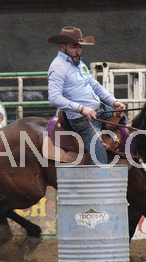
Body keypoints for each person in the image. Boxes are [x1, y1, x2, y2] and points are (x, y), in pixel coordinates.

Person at [47, 26, 125, 165]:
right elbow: (54, 98)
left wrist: (113, 102)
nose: (78, 51)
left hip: (100, 110)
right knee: (100, 155)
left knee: (127, 125)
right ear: (62, 47)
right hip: (81, 119)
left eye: (80, 47)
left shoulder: (79, 64)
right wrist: (81, 109)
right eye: (74, 47)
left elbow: (95, 86)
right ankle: (100, 175)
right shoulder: (58, 67)